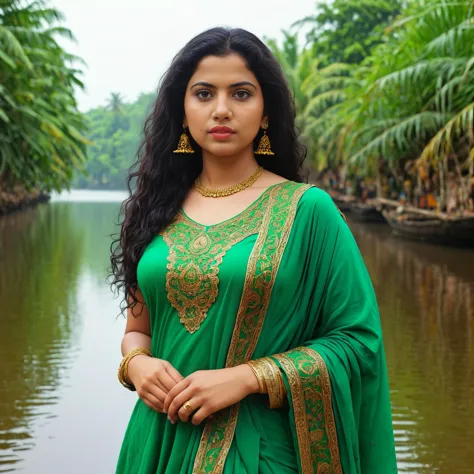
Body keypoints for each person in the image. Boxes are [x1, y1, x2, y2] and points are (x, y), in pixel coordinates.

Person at [110, 27, 397, 474]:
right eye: (203, 94)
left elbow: (358, 343)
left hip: (257, 451)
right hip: (158, 444)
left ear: (265, 113)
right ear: (182, 111)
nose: (221, 109)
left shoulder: (307, 211)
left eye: (241, 94)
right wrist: (137, 365)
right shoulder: (153, 209)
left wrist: (246, 378)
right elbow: (138, 330)